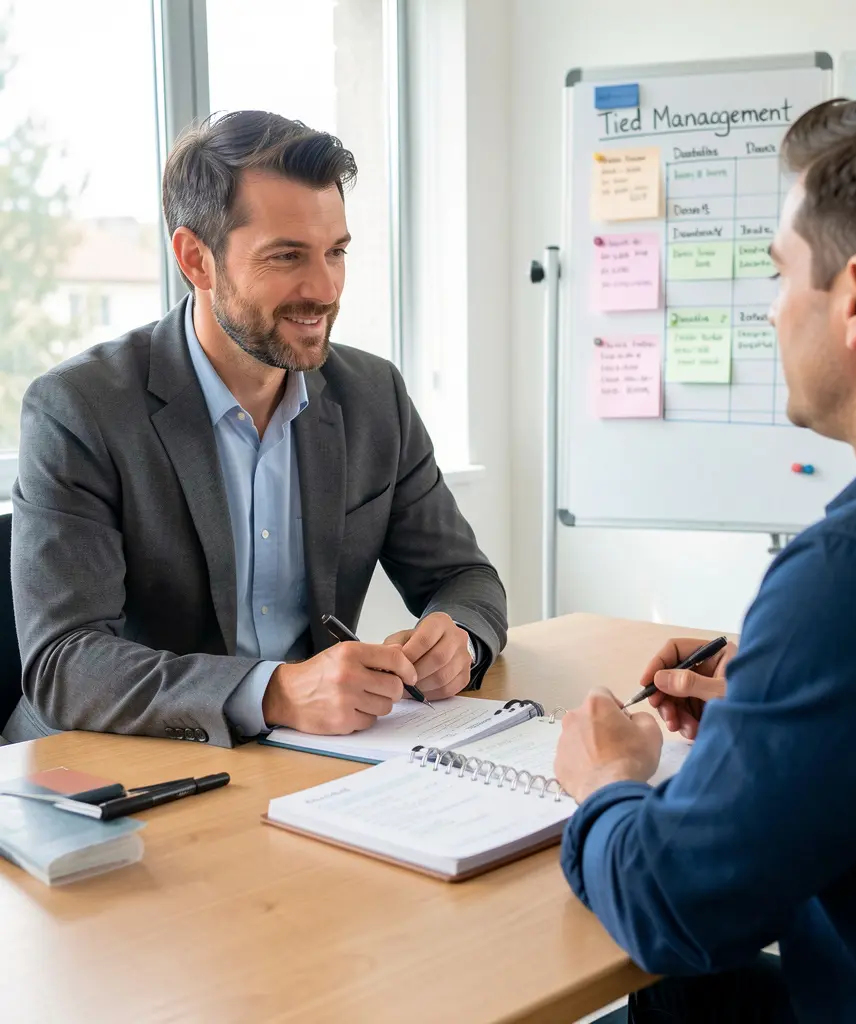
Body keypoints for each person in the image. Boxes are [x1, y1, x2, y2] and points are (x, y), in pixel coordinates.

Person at [555, 81, 856, 1023]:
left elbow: (676, 905)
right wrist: (782, 694)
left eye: (780, 272)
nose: (770, 311)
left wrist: (606, 781)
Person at [3, 111, 507, 748]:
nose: (324, 289)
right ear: (197, 259)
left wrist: (457, 635)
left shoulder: (374, 396)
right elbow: (65, 664)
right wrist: (274, 691)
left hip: (304, 760)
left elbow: (466, 579)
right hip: (113, 770)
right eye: (287, 256)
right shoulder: (78, 409)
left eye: (336, 252)